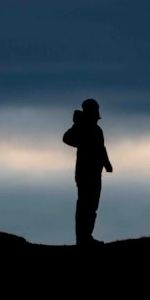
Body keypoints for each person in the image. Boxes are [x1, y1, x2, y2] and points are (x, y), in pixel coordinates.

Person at [62, 98, 113, 246]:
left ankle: (86, 236)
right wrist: (82, 140)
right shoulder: (82, 127)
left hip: (95, 172)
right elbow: (67, 138)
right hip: (85, 173)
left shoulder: (96, 130)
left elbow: (101, 148)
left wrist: (107, 164)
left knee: (91, 206)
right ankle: (83, 238)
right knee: (85, 205)